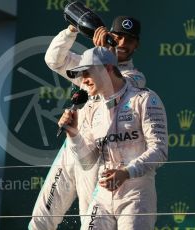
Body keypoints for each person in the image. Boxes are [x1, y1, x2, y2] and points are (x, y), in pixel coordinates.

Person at [29, 16, 145, 229]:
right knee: (41, 220)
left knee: (89, 223)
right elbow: (54, 60)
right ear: (108, 34)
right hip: (70, 149)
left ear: (136, 44)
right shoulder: (88, 65)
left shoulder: (135, 78)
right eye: (117, 36)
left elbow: (113, 87)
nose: (121, 43)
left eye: (128, 39)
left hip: (95, 157)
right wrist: (75, 28)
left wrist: (104, 59)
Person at [59, 46, 168, 229]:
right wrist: (74, 134)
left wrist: (126, 172)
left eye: (87, 72)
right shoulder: (93, 109)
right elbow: (87, 163)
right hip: (101, 195)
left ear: (108, 68)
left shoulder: (144, 99)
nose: (83, 80)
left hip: (136, 194)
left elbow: (160, 150)